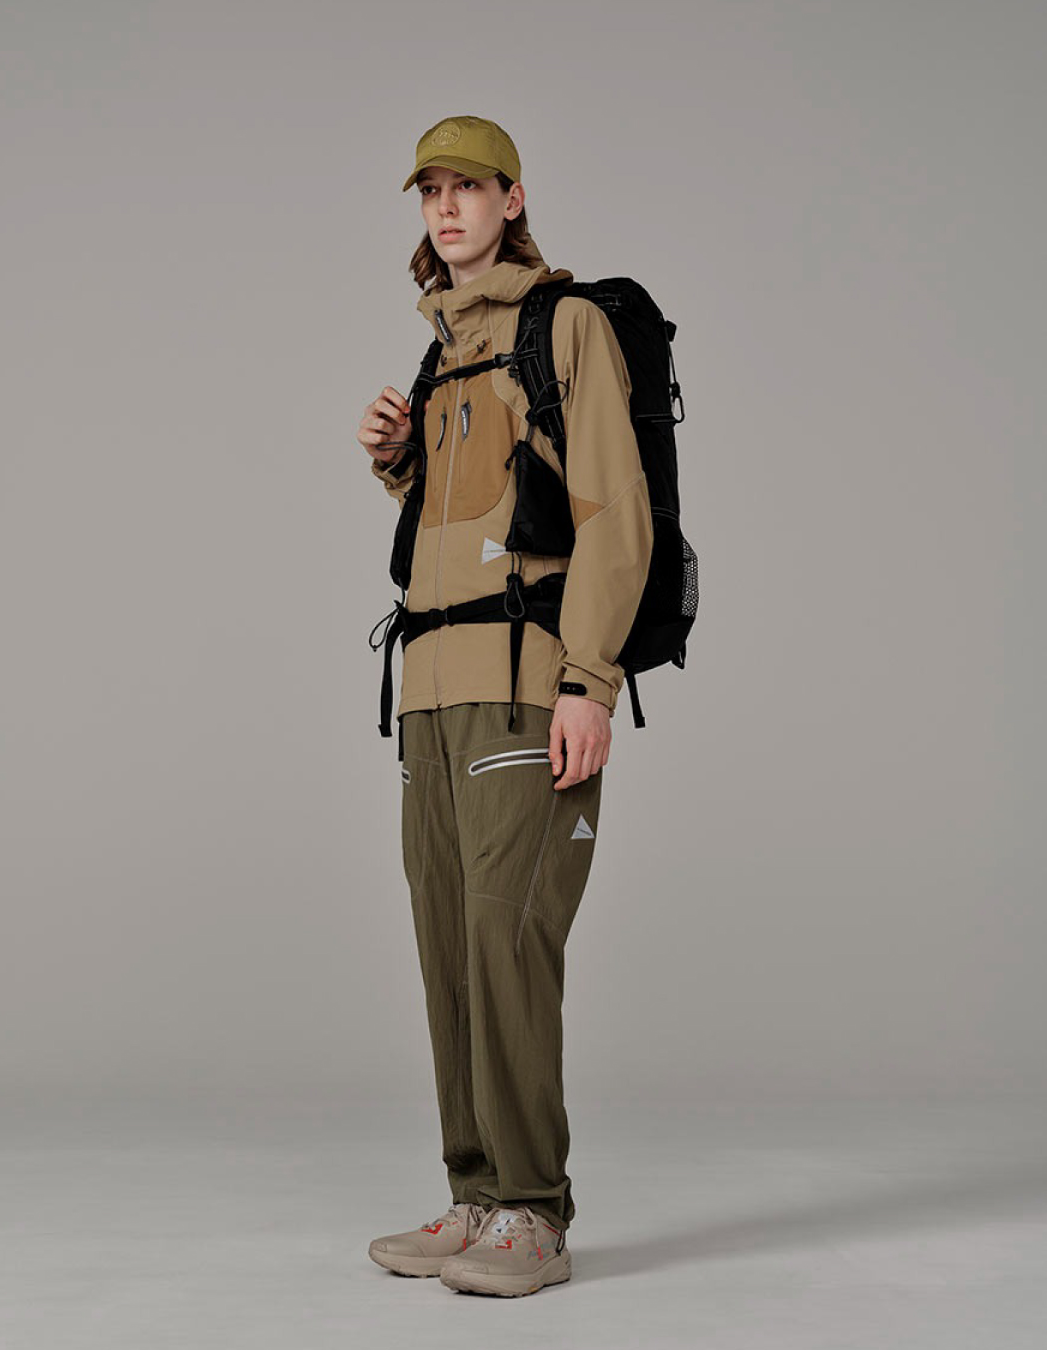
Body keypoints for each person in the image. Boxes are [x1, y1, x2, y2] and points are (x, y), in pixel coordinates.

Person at [356, 115, 653, 1297]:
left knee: (508, 939)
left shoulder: (565, 326)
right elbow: (473, 517)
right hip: (432, 697)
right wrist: (398, 460)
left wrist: (591, 682)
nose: (446, 208)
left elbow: (612, 513)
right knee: (448, 947)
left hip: (530, 688)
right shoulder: (443, 351)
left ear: (512, 200)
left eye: (468, 187)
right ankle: (476, 1193)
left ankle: (534, 1210)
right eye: (429, 190)